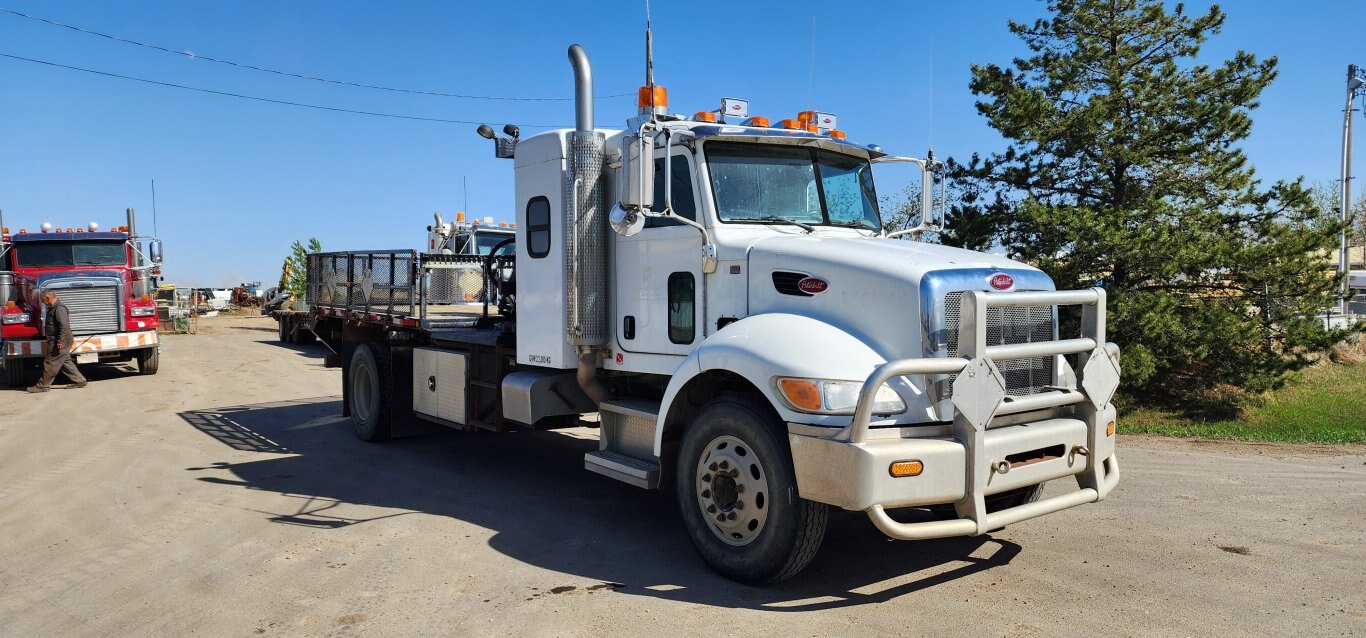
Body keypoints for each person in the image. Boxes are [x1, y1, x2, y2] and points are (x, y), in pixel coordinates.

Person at [28, 290, 87, 392]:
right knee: (64, 361)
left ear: (48, 298)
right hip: (58, 339)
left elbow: (64, 326)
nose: (42, 302)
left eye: (43, 300)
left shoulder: (59, 308)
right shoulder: (54, 308)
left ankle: (42, 386)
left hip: (59, 340)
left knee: (51, 362)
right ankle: (80, 380)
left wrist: (61, 341)